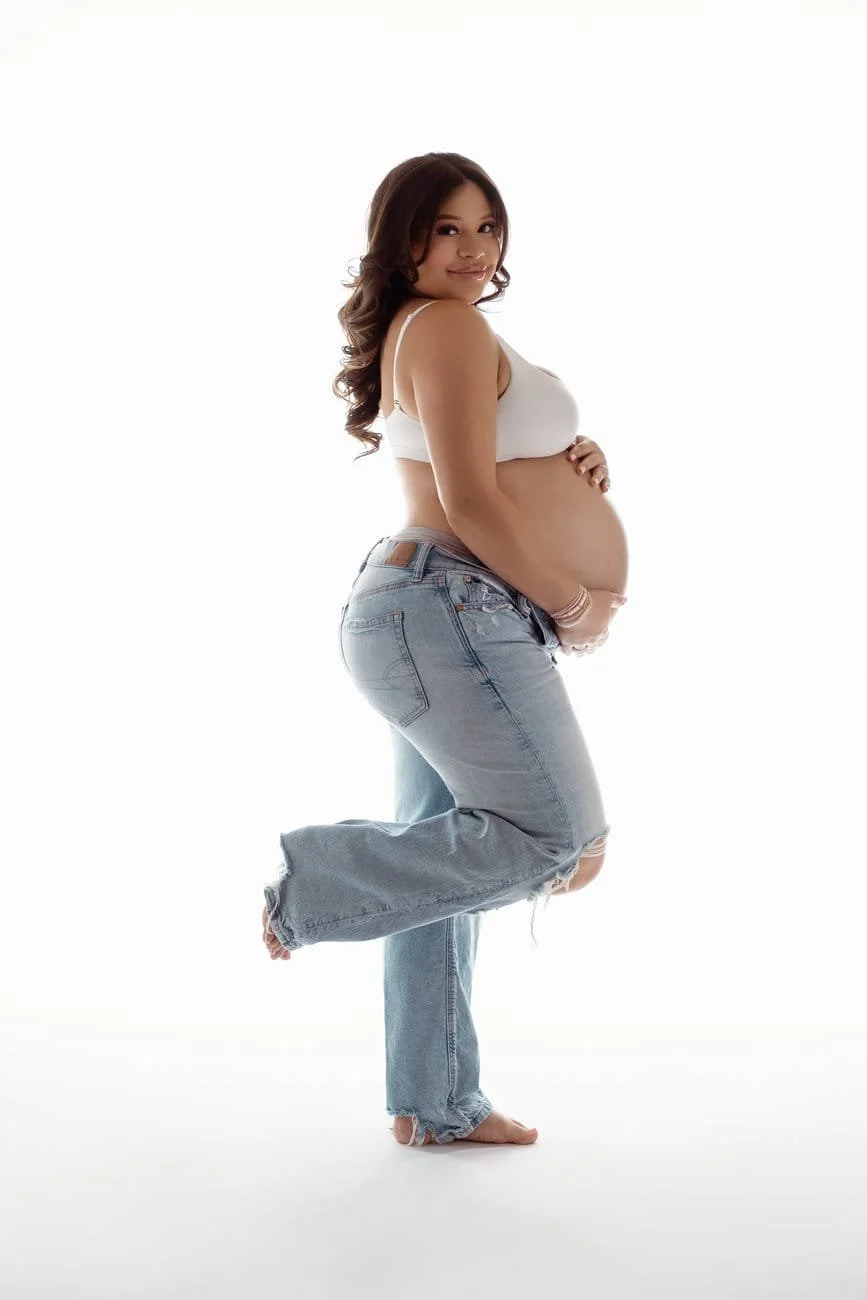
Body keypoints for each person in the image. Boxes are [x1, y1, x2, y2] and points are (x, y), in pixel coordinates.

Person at [261, 152, 629, 1148]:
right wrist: (572, 602)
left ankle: (435, 1099)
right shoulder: (450, 327)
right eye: (446, 230)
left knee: (446, 855)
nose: (472, 250)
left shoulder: (434, 328)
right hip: (448, 609)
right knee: (559, 836)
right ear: (404, 240)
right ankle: (317, 884)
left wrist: (574, 460)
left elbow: (489, 466)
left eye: (487, 228)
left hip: (433, 610)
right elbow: (469, 501)